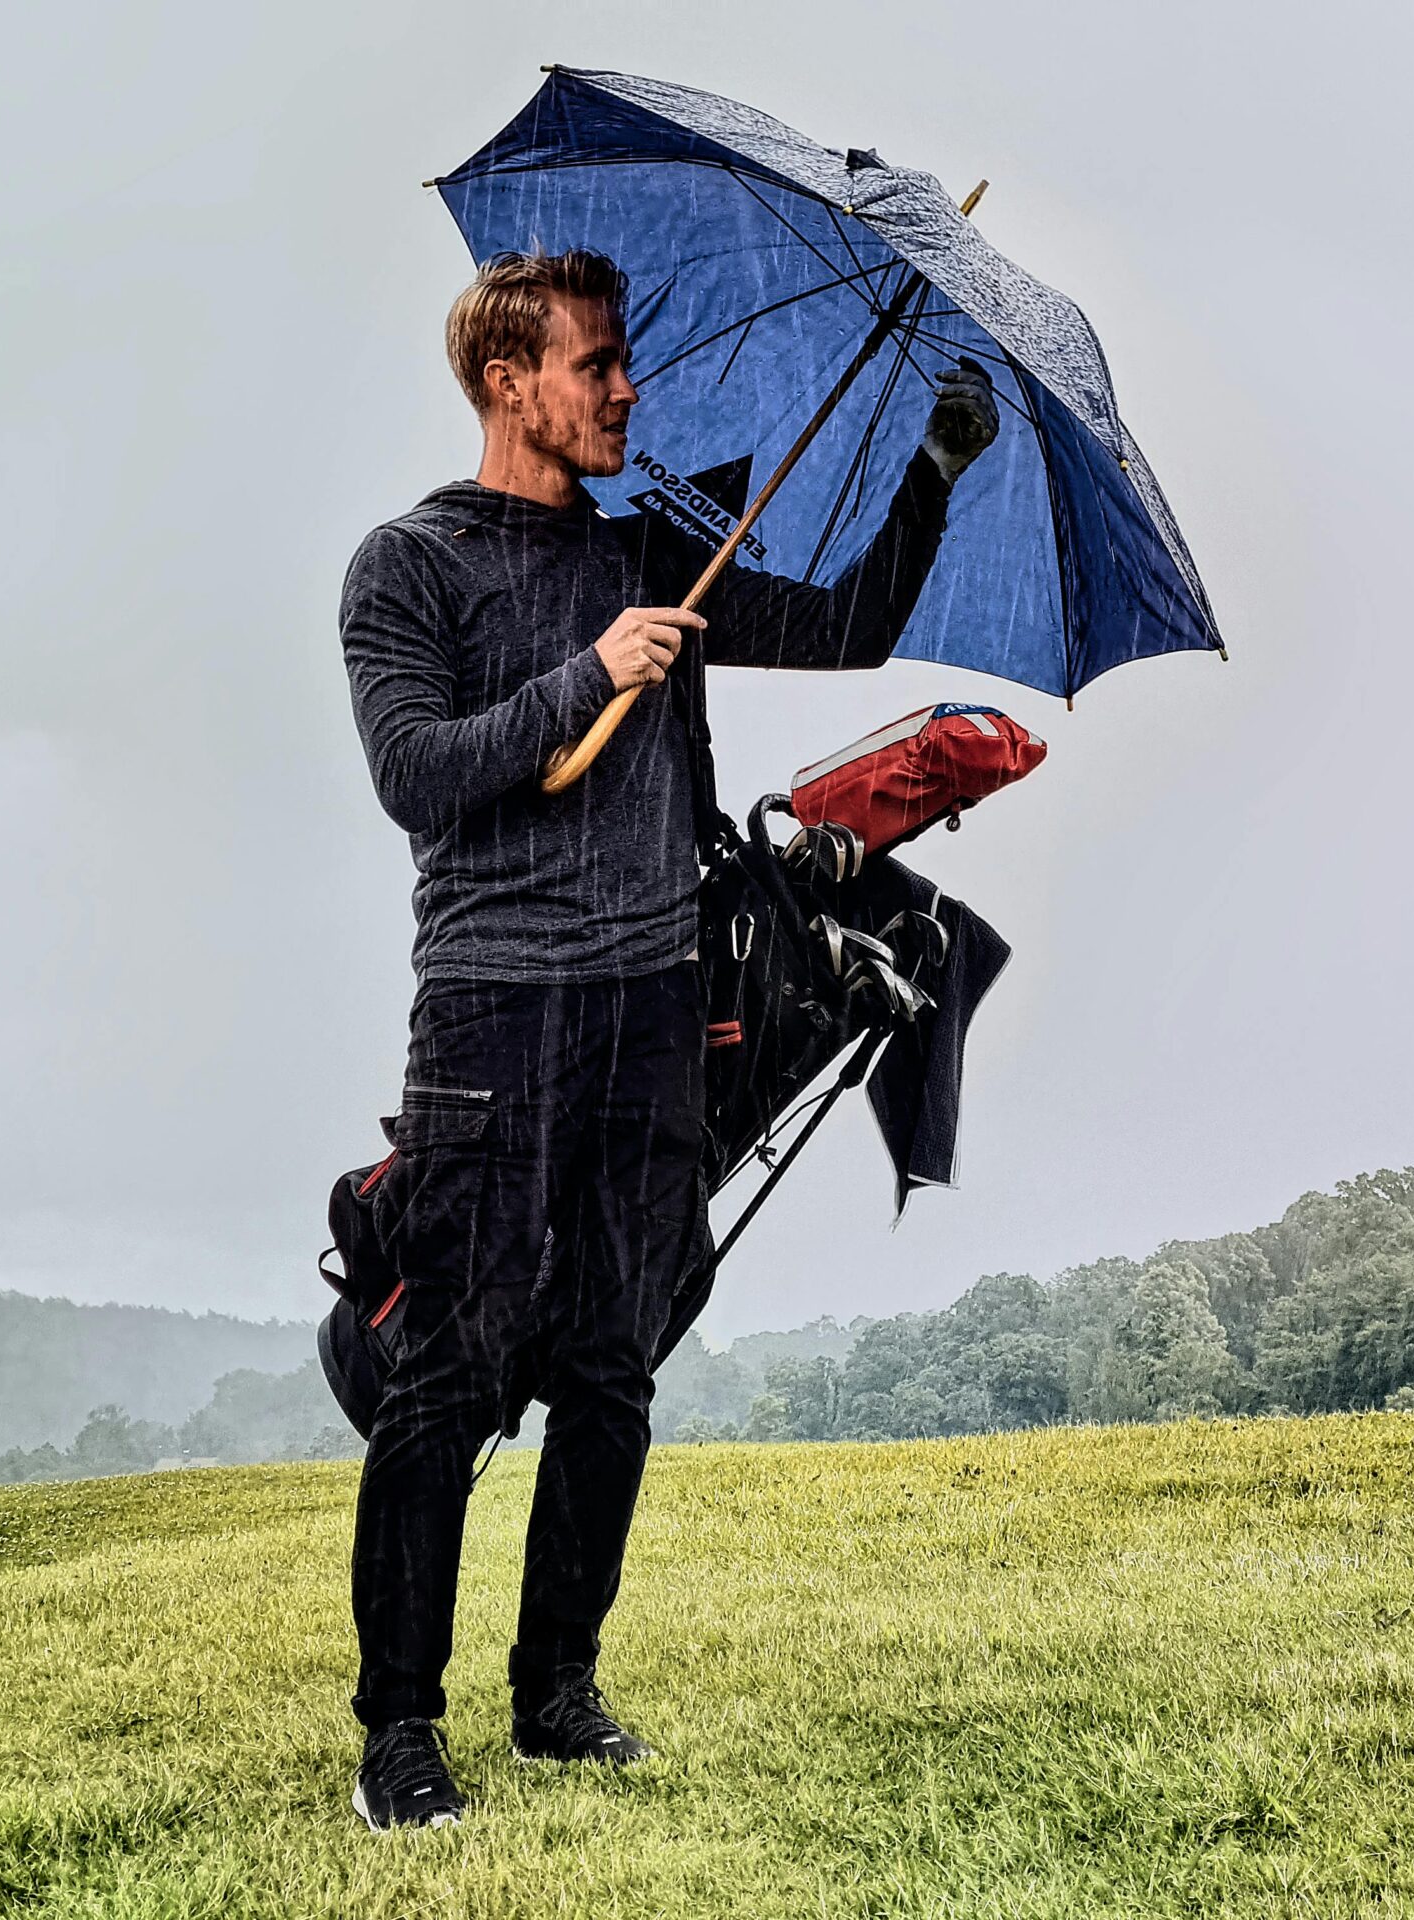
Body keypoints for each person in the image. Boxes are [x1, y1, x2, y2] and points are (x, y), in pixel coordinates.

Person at [335, 249, 998, 1831]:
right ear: (510, 383)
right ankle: (400, 1734)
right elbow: (417, 774)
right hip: (493, 1008)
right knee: (452, 1368)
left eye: (624, 362)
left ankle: (557, 1690)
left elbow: (844, 624)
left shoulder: (659, 554)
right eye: (599, 363)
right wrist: (592, 669)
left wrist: (933, 467)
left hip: (651, 1008)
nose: (627, 388)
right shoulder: (408, 565)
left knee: (614, 1366)